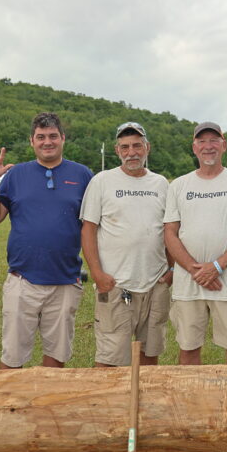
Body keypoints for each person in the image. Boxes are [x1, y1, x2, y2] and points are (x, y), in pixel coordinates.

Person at [0, 112, 93, 369]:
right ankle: (9, 409)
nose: (47, 142)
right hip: (23, 279)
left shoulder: (82, 174)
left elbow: (92, 225)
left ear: (63, 139)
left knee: (56, 357)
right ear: (32, 141)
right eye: (41, 137)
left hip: (65, 279)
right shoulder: (16, 174)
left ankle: (44, 409)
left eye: (53, 136)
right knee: (12, 358)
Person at [163, 122, 227, 365]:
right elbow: (170, 232)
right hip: (188, 282)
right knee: (188, 347)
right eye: (202, 141)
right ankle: (189, 402)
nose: (208, 146)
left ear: (223, 145)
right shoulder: (179, 185)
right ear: (194, 148)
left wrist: (217, 266)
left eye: (214, 141)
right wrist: (196, 269)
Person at [80, 122, 172, 367]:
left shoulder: (161, 184)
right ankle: (108, 405)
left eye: (137, 146)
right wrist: (97, 274)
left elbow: (171, 230)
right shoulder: (102, 182)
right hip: (117, 285)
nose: (132, 152)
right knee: (110, 359)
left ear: (147, 148)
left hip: (155, 283)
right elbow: (88, 230)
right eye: (125, 147)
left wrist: (171, 270)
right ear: (117, 150)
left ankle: (144, 404)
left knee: (149, 355)